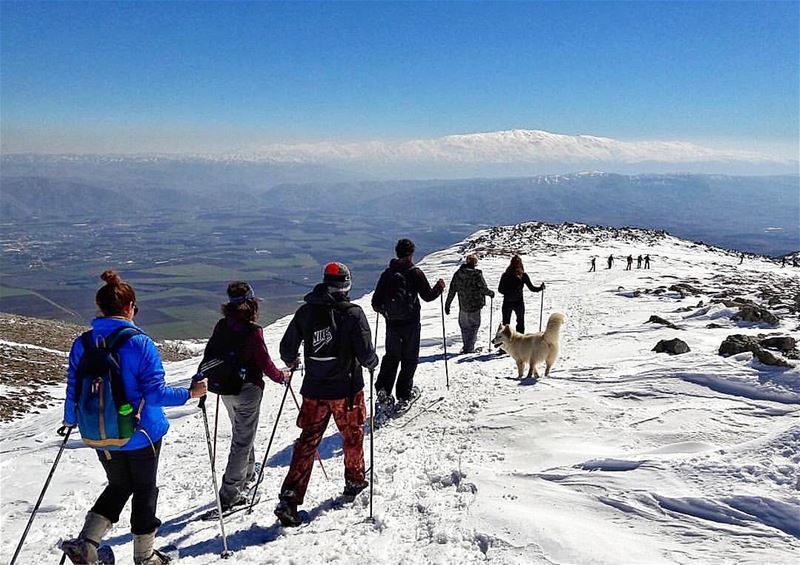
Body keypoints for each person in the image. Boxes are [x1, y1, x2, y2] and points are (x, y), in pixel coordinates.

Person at [61, 270, 207, 565]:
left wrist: (71, 419)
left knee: (118, 485)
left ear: (100, 308)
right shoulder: (140, 343)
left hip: (99, 432)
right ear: (130, 307)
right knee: (144, 490)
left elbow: (74, 387)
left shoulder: (83, 343)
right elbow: (155, 395)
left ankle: (87, 544)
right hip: (141, 433)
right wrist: (190, 394)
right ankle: (145, 555)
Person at [275, 262, 378, 527]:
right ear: (346, 285)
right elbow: (366, 354)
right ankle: (354, 481)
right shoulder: (353, 314)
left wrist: (295, 359)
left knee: (307, 441)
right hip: (347, 391)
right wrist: (372, 363)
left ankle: (289, 498)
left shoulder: (306, 311)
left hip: (314, 391)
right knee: (352, 437)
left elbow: (287, 350)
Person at [202, 282, 290, 513]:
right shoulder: (252, 331)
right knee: (242, 440)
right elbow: (265, 363)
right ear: (252, 302)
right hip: (247, 390)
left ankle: (248, 474)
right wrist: (282, 377)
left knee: (242, 432)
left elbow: (209, 354)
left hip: (225, 389)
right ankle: (231, 494)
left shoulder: (222, 326)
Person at [372, 239, 445, 410]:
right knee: (409, 358)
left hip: (392, 325)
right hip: (411, 323)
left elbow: (375, 303)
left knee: (391, 357)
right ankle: (404, 395)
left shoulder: (387, 274)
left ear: (396, 253)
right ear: (411, 253)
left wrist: (387, 313)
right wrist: (439, 287)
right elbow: (427, 296)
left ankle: (383, 390)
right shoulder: (415, 273)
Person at [444, 254, 494, 354]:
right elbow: (483, 288)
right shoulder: (477, 274)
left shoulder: (458, 274)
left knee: (464, 327)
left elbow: (452, 290)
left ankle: (467, 346)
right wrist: (491, 293)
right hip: (475, 304)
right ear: (475, 263)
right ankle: (469, 348)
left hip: (463, 305)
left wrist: (447, 304)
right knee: (474, 326)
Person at [497, 255, 544, 334]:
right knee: (520, 322)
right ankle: (520, 342)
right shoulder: (523, 275)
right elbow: (532, 288)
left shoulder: (505, 275)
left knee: (505, 323)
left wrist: (509, 292)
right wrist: (540, 288)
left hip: (507, 301)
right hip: (519, 302)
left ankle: (503, 343)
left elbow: (500, 289)